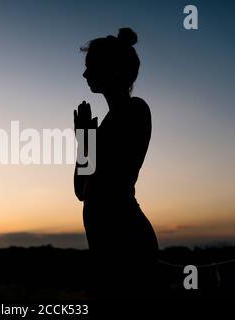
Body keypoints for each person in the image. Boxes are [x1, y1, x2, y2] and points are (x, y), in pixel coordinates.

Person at [74, 28, 159, 298]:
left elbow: (102, 184)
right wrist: (85, 140)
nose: (85, 75)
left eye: (91, 67)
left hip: (126, 240)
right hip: (106, 243)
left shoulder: (136, 110)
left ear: (112, 69)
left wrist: (88, 141)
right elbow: (81, 192)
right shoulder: (106, 124)